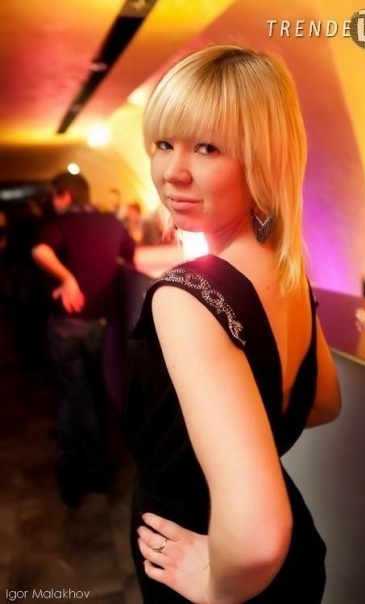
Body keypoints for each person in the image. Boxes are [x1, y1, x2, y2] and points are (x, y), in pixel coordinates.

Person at [124, 44, 341, 603]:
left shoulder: (188, 296)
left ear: (261, 159)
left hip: (214, 564)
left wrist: (215, 585)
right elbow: (322, 402)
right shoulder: (288, 271)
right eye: (164, 144)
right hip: (298, 564)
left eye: (207, 147)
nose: (173, 171)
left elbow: (256, 542)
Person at [32, 171, 135, 508]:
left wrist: (68, 278)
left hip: (68, 323)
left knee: (75, 396)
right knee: (89, 390)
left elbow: (40, 251)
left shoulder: (61, 222)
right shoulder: (111, 221)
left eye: (55, 195)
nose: (53, 202)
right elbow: (129, 253)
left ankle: (83, 470)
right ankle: (93, 469)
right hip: (99, 322)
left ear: (65, 195)